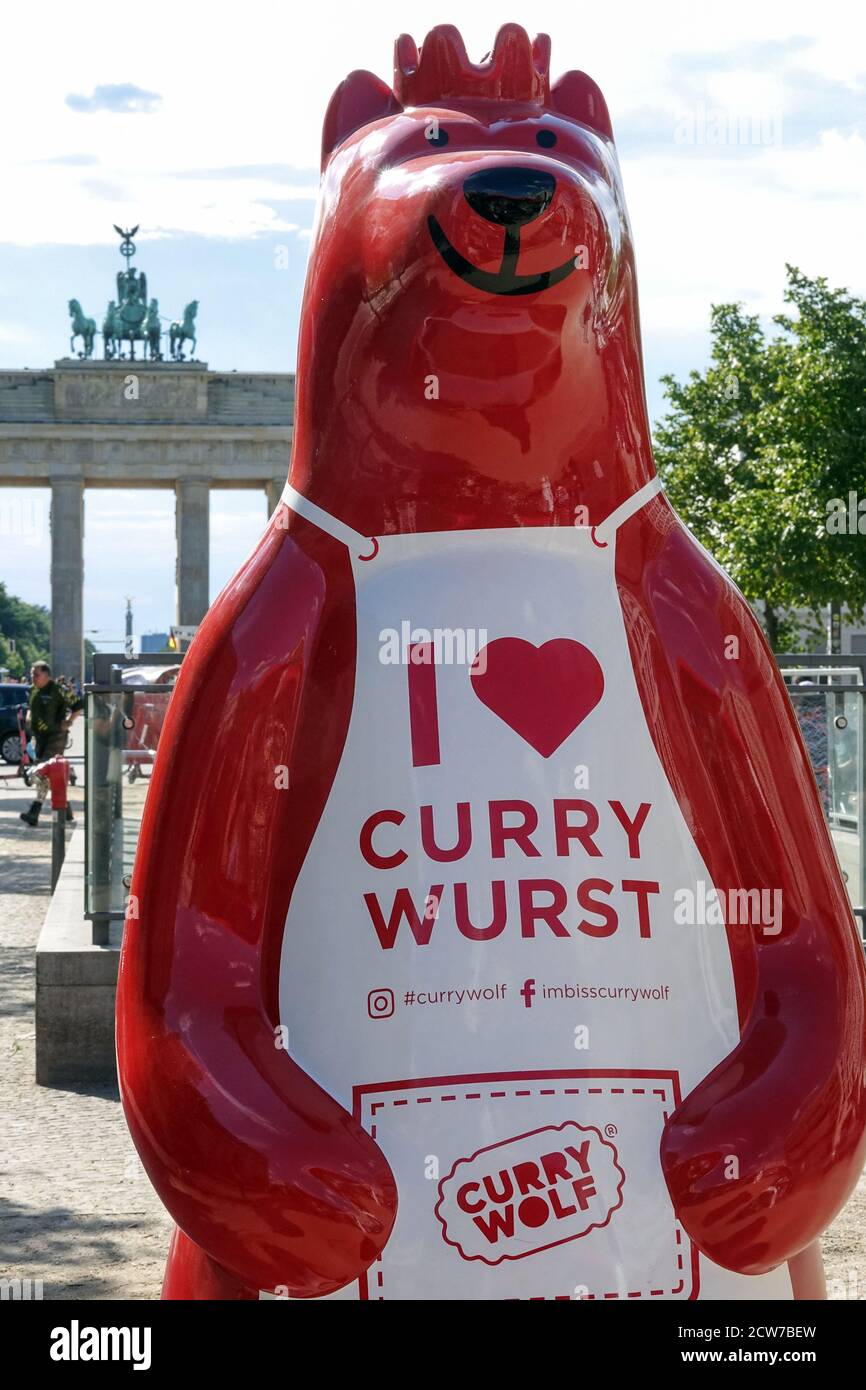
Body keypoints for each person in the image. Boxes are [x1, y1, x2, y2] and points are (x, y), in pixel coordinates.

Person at [19, 662, 83, 827]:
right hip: (39, 738)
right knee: (51, 774)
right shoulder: (34, 690)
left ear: (47, 676)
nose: (33, 678)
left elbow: (78, 705)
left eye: (36, 675)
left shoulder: (58, 690)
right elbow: (30, 707)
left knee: (44, 770)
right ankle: (66, 812)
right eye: (32, 674)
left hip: (56, 737)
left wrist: (68, 722)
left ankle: (35, 811)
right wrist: (28, 717)